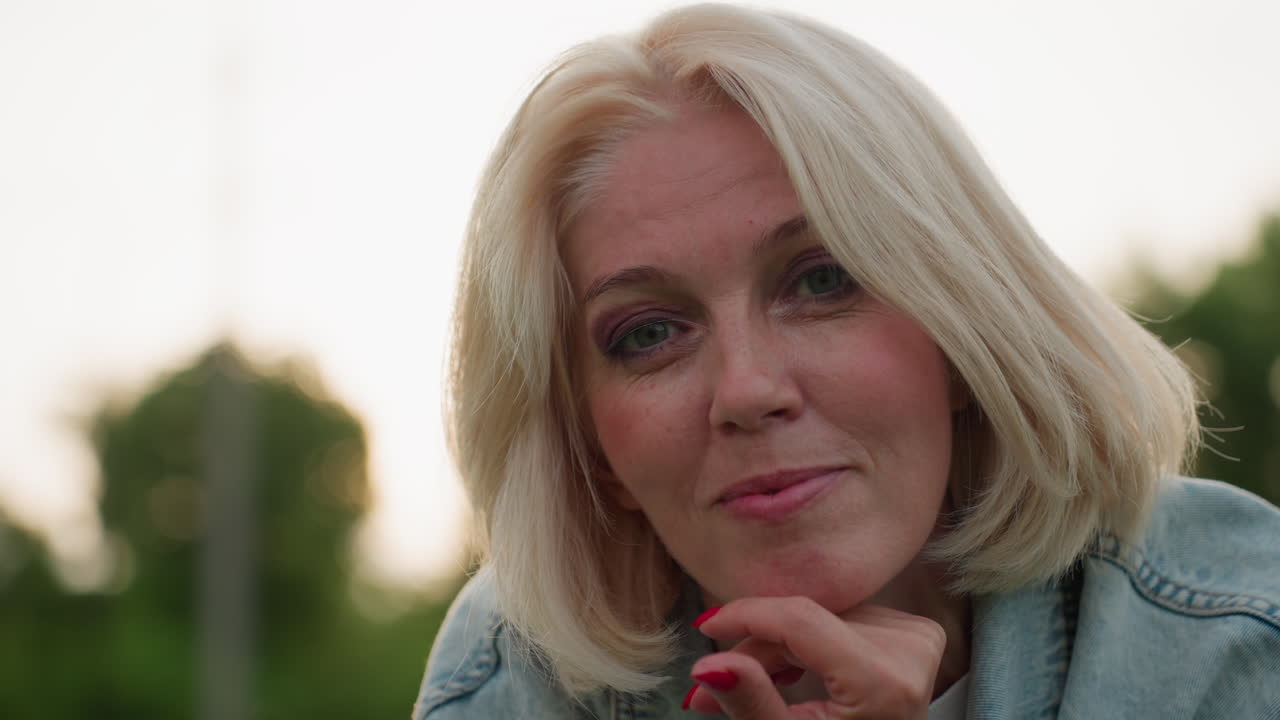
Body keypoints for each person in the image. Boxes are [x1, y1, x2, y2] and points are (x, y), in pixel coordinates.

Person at [414, 4, 1280, 718]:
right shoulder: (514, 677)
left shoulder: (1235, 633)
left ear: (965, 330)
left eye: (822, 280)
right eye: (647, 333)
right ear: (591, 448)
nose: (748, 391)